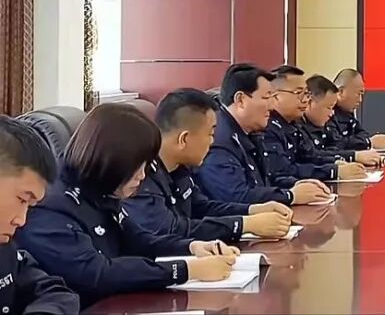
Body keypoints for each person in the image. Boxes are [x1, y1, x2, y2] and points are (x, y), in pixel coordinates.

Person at [16, 104, 239, 307]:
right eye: (137, 167)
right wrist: (185, 270)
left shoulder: (98, 187)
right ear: (112, 160)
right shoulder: (48, 204)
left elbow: (139, 240)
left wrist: (192, 248)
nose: (142, 176)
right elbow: (97, 274)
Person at [125, 88, 295, 243]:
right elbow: (171, 230)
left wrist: (254, 210)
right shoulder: (140, 176)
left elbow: (202, 207)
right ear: (184, 139)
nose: (213, 141)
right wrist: (244, 224)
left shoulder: (180, 167)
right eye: (210, 133)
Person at [196, 63, 332, 206]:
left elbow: (266, 180)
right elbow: (236, 196)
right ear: (241, 100)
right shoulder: (219, 140)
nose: (272, 106)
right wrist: (290, 195)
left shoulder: (249, 132)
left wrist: (296, 184)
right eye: (266, 98)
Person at [0, 117, 80, 314]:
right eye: (22, 199)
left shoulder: (5, 249)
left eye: (30, 206)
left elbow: (55, 292)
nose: (21, 220)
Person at [262, 66, 372, 182]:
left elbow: (311, 155)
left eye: (306, 93)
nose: (305, 100)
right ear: (275, 95)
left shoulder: (292, 125)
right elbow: (284, 171)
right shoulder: (267, 128)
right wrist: (333, 171)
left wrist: (336, 162)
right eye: (299, 93)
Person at [328, 69, 385, 151]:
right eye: (358, 94)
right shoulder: (327, 113)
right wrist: (368, 142)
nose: (360, 100)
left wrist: (370, 140)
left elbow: (362, 133)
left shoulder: (347, 114)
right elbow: (336, 143)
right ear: (341, 92)